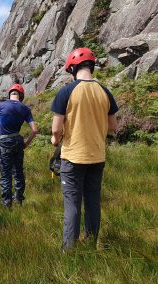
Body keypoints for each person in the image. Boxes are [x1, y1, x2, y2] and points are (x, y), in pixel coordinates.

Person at [50, 48, 118, 250]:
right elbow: (113, 127)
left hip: (72, 157)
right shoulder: (105, 91)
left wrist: (56, 140)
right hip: (97, 156)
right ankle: (90, 243)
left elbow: (56, 129)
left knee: (72, 204)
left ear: (72, 67)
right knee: (93, 201)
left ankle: (68, 250)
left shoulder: (66, 91)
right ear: (91, 66)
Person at [0, 84, 38, 207]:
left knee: (6, 174)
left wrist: (3, 136)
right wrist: (26, 143)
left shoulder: (0, 106)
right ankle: (18, 199)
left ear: (10, 94)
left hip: (5, 142)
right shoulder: (25, 108)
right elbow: (34, 130)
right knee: (18, 172)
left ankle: (7, 204)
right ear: (21, 95)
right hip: (18, 141)